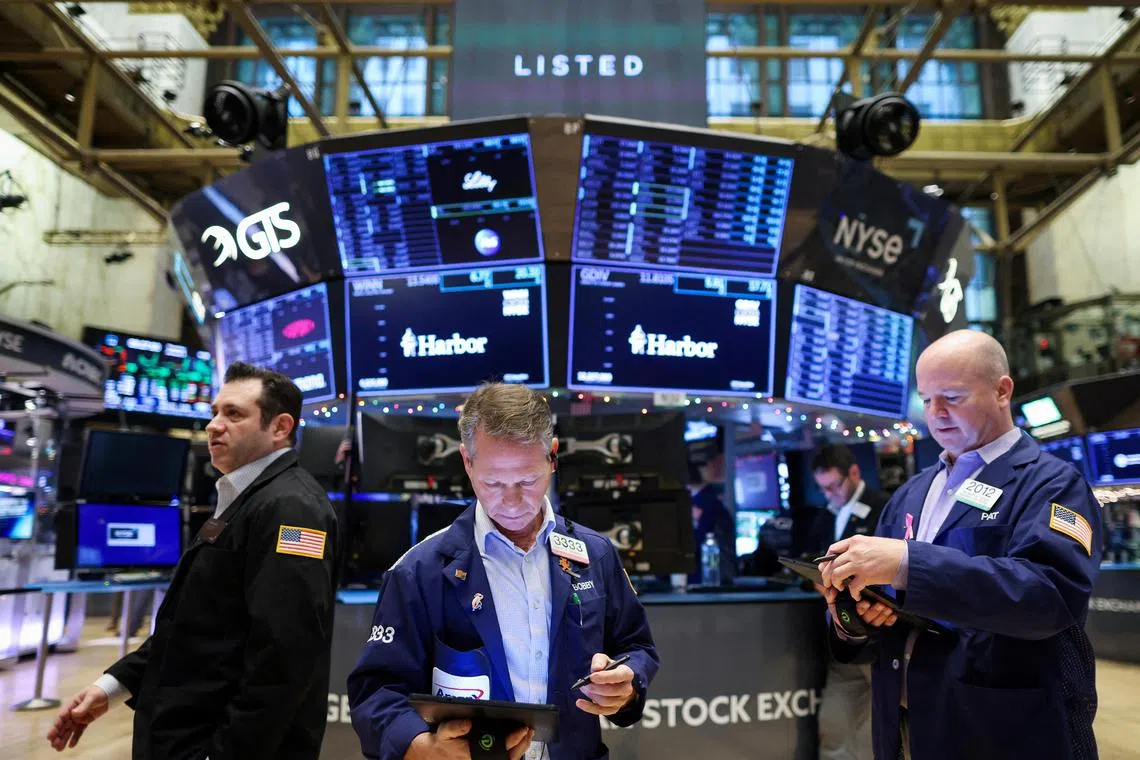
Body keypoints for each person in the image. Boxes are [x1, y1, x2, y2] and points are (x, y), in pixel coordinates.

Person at [816, 330, 1103, 760]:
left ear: (1002, 390)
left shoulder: (1051, 484)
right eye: (928, 399)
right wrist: (854, 615)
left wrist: (908, 563)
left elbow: (1051, 597)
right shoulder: (911, 493)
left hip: (998, 726)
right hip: (906, 723)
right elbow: (890, 606)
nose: (937, 413)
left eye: (952, 396)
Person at [348, 382, 660, 760]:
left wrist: (626, 685)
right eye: (493, 482)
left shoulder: (595, 553)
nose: (511, 502)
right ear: (467, 462)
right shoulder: (420, 571)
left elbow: (635, 646)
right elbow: (377, 691)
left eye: (527, 481)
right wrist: (418, 745)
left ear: (552, 457)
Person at [47, 362, 340, 760]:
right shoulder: (245, 498)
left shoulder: (291, 507)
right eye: (215, 412)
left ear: (280, 427)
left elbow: (283, 657)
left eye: (233, 414)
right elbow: (193, 627)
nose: (213, 425)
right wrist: (111, 687)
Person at [809, 444, 889, 760]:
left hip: (876, 632)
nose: (829, 494)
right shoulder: (827, 515)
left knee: (873, 726)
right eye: (823, 488)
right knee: (835, 723)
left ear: (853, 473)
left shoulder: (885, 508)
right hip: (839, 633)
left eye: (833, 486)